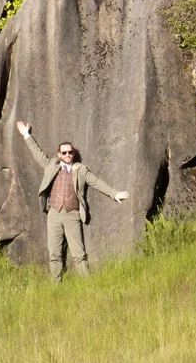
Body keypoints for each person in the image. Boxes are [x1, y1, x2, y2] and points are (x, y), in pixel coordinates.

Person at [16, 120, 128, 281]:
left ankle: (87, 285)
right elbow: (38, 153)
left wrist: (114, 194)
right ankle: (56, 285)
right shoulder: (51, 165)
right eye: (64, 153)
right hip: (53, 214)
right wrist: (26, 135)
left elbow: (96, 182)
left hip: (72, 215)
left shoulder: (81, 170)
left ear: (73, 154)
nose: (68, 155)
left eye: (70, 152)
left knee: (79, 254)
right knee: (54, 253)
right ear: (59, 154)